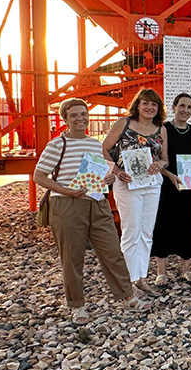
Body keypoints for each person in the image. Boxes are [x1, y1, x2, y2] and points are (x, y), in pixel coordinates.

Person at [34, 98, 150, 324]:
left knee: (112, 251)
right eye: (74, 115)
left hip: (97, 202)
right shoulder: (57, 145)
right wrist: (66, 191)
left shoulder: (95, 144)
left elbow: (101, 172)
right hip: (67, 204)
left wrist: (108, 178)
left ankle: (127, 295)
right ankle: (77, 305)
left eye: (83, 114)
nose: (81, 118)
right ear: (65, 119)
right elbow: (39, 176)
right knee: (72, 257)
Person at [102, 88, 169, 295]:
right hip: (127, 183)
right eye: (145, 103)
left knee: (147, 232)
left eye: (154, 104)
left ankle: (141, 277)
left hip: (151, 184)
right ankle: (128, 282)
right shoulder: (124, 123)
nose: (150, 107)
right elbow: (103, 149)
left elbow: (165, 157)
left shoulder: (161, 129)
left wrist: (160, 163)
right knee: (131, 231)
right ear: (137, 105)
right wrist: (116, 170)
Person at [151, 92, 191, 283]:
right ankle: (161, 271)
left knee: (188, 224)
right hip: (166, 185)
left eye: (189, 107)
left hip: (188, 186)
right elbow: (157, 157)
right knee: (163, 224)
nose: (185, 110)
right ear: (173, 107)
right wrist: (167, 175)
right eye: (182, 106)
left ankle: (186, 268)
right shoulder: (164, 128)